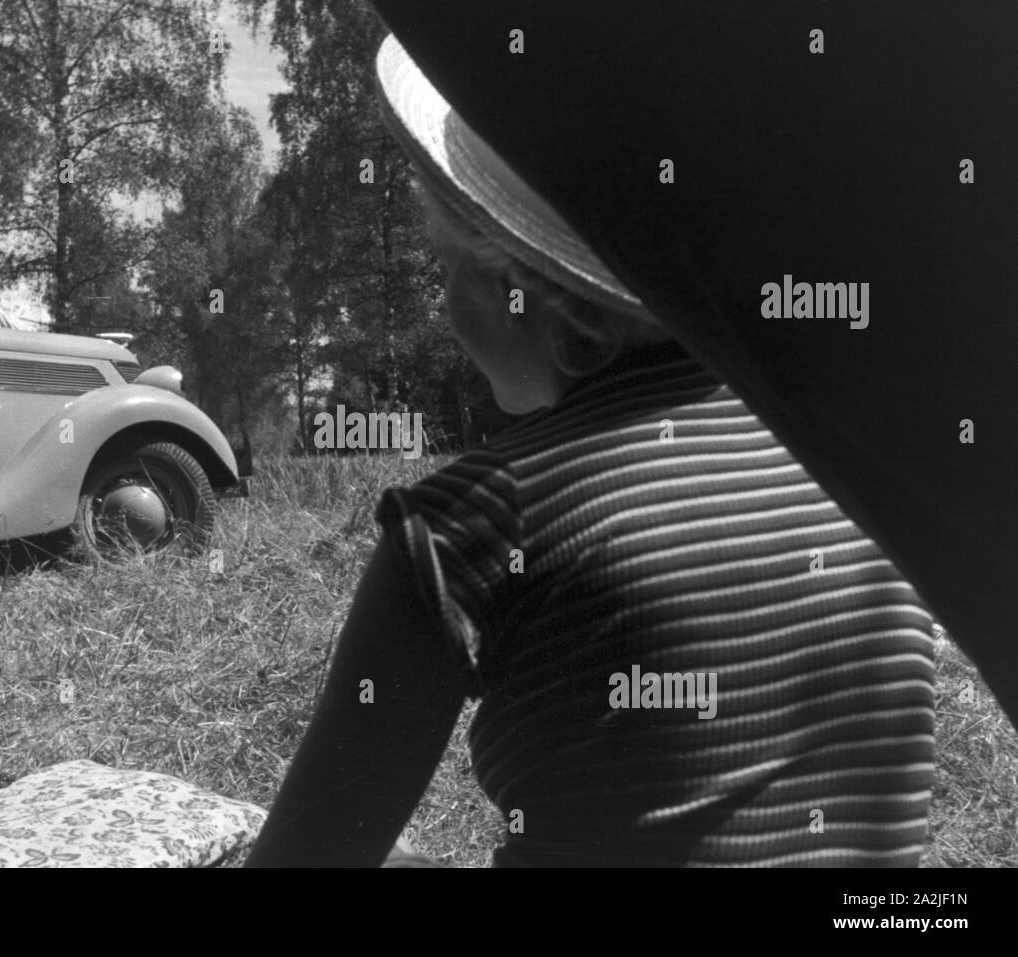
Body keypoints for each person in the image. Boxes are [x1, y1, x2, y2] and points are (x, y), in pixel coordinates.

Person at [243, 34, 937, 867]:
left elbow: (309, 856)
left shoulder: (474, 519)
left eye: (445, 267)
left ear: (550, 314)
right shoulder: (862, 472)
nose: (441, 307)